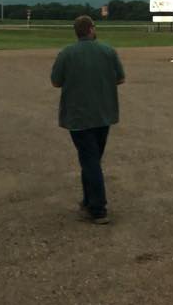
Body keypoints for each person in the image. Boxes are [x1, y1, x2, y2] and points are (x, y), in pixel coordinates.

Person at [49, 16, 124, 224]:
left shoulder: (67, 53)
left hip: (78, 117)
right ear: (91, 29)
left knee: (89, 160)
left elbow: (56, 82)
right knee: (92, 159)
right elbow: (121, 78)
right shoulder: (108, 51)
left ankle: (98, 209)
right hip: (104, 114)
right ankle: (88, 201)